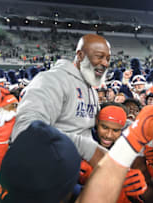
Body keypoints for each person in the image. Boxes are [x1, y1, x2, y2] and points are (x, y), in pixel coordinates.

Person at [11, 34, 111, 167]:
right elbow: (26, 132)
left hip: (81, 172)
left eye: (108, 59)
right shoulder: (52, 80)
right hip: (52, 173)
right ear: (80, 55)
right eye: (99, 56)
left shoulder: (91, 89)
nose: (105, 63)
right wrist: (86, 150)